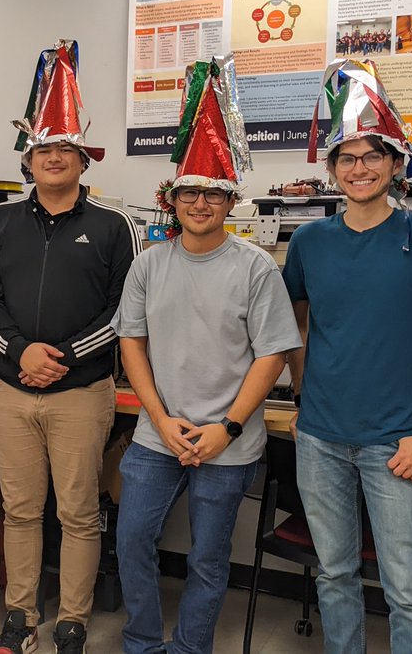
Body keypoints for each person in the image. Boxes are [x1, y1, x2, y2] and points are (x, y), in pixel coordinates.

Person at [111, 54, 302, 654]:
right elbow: (131, 343)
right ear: (172, 199)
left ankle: (190, 648)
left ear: (229, 201)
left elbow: (271, 355)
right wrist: (162, 420)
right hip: (155, 435)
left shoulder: (254, 268)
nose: (200, 203)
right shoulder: (148, 264)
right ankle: (144, 642)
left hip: (229, 440)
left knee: (209, 557)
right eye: (189, 193)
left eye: (212, 194)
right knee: (131, 541)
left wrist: (228, 426)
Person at [287, 59, 412, 653]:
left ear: (396, 163)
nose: (360, 168)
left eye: (373, 155)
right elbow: (292, 325)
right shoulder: (309, 241)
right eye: (347, 157)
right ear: (332, 170)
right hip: (320, 441)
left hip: (398, 444)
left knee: (407, 592)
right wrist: (301, 398)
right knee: (336, 576)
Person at [0, 39, 142, 654]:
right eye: (43, 149)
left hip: (81, 391)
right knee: (20, 511)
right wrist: (20, 354)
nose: (53, 158)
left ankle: (71, 621)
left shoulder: (113, 225)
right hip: (11, 392)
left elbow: (125, 310)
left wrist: (60, 357)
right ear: (29, 158)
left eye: (64, 149)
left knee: (77, 513)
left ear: (82, 159)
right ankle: (20, 619)